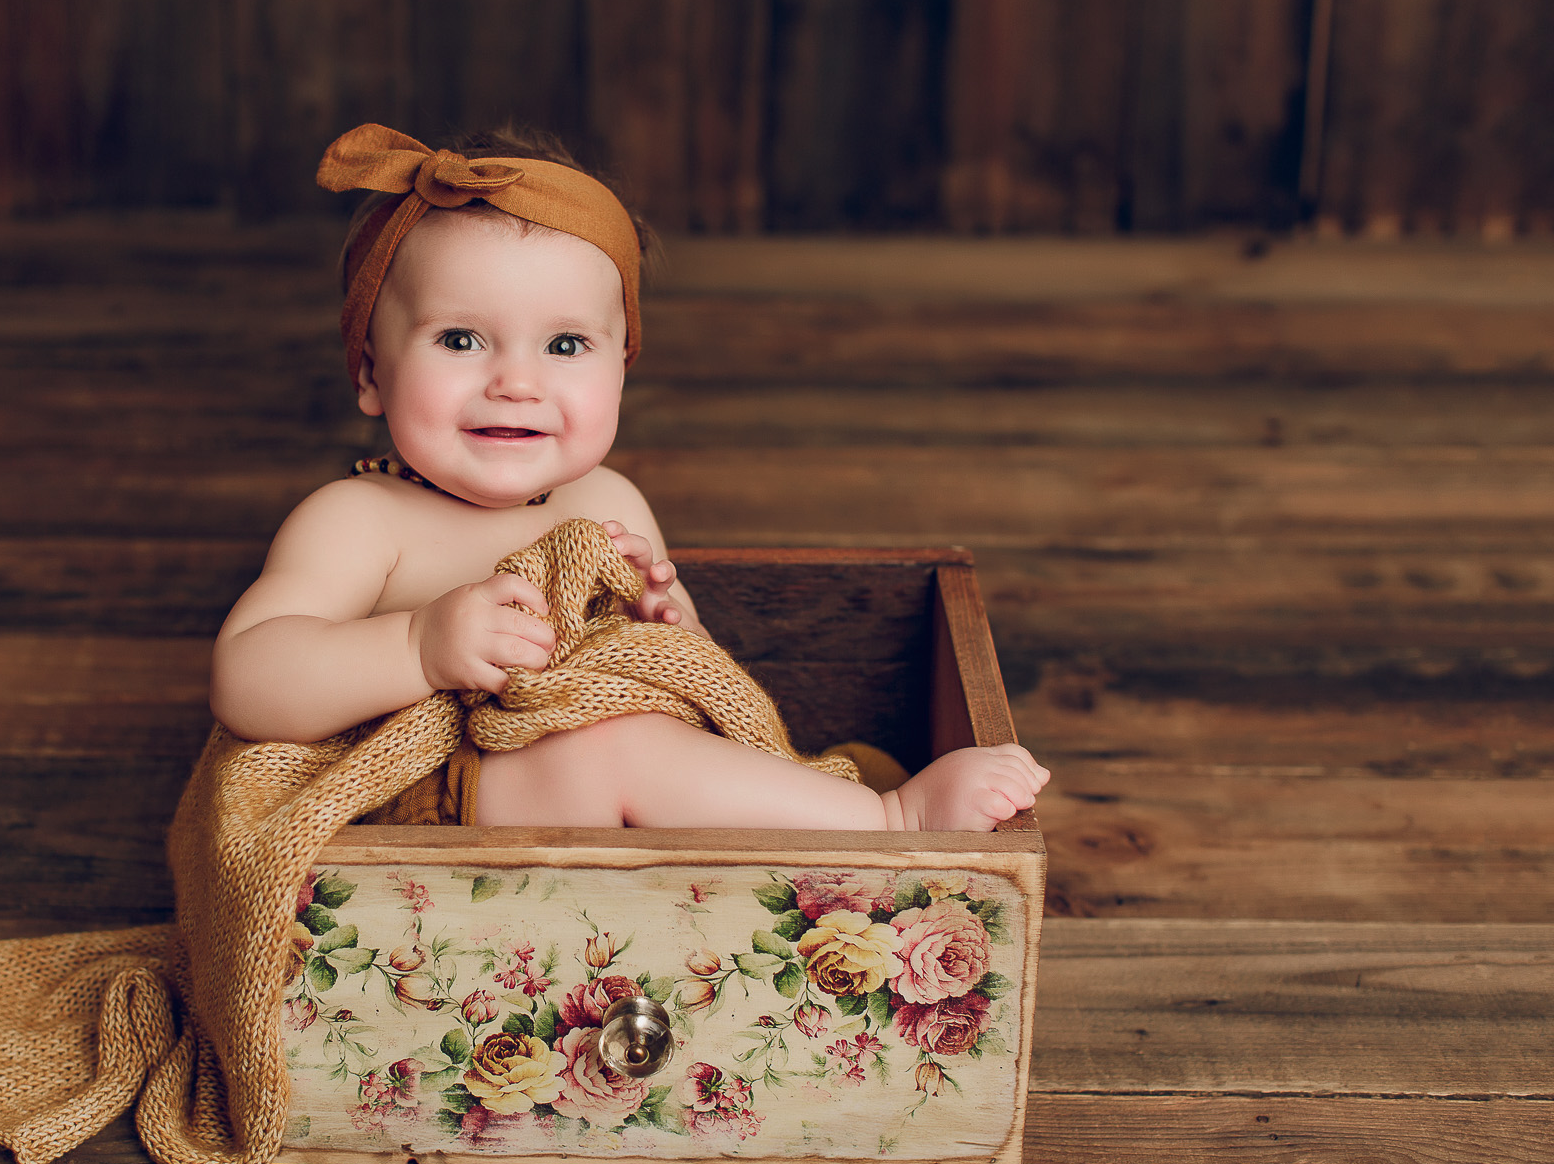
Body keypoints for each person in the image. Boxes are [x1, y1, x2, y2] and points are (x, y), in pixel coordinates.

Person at [209, 122, 1048, 831]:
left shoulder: (608, 501)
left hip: (598, 780)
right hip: (442, 802)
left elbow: (673, 681)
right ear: (370, 373)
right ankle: (886, 822)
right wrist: (416, 646)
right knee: (607, 747)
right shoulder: (359, 519)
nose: (517, 381)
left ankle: (770, 846)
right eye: (461, 340)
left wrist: (670, 630)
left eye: (565, 345)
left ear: (620, 369)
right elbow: (248, 679)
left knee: (635, 735)